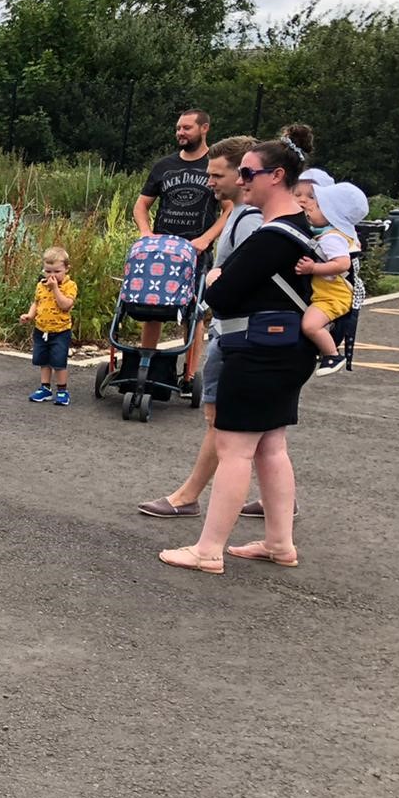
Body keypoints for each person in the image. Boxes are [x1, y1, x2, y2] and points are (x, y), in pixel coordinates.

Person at [159, 126, 317, 575]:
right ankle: (278, 542)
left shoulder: (272, 236)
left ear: (276, 175)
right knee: (270, 445)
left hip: (258, 349)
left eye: (250, 172)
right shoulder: (297, 229)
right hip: (288, 349)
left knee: (234, 448)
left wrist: (214, 281)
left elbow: (223, 295)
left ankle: (208, 549)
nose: (242, 180)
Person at [137, 135, 260, 518]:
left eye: (216, 175)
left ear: (243, 175)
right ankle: (280, 500)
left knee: (223, 423)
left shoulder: (251, 221)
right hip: (238, 331)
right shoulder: (244, 215)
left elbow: (252, 279)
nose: (209, 182)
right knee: (263, 433)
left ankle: (188, 499)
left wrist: (215, 281)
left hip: (241, 334)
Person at [132, 110, 231, 354]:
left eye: (187, 128)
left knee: (192, 313)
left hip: (195, 252)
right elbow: (141, 204)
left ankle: (188, 375)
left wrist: (206, 239)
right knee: (150, 308)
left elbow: (229, 210)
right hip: (161, 252)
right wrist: (146, 233)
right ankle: (147, 362)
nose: (180, 133)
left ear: (204, 128)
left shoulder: (215, 165)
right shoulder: (164, 166)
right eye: (178, 128)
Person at [296, 179, 368, 376]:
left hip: (333, 296)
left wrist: (313, 268)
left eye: (317, 205)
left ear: (332, 215)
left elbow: (342, 264)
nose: (309, 206)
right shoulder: (334, 234)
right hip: (330, 294)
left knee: (310, 325)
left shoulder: (332, 238)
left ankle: (332, 354)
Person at [19, 247, 77, 405]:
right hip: (41, 329)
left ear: (66, 269)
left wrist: (55, 289)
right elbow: (37, 302)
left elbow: (65, 305)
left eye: (57, 272)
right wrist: (30, 315)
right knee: (43, 360)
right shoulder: (41, 285)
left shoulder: (69, 286)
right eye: (48, 271)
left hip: (60, 331)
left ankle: (62, 390)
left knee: (59, 362)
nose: (51, 276)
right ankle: (45, 388)